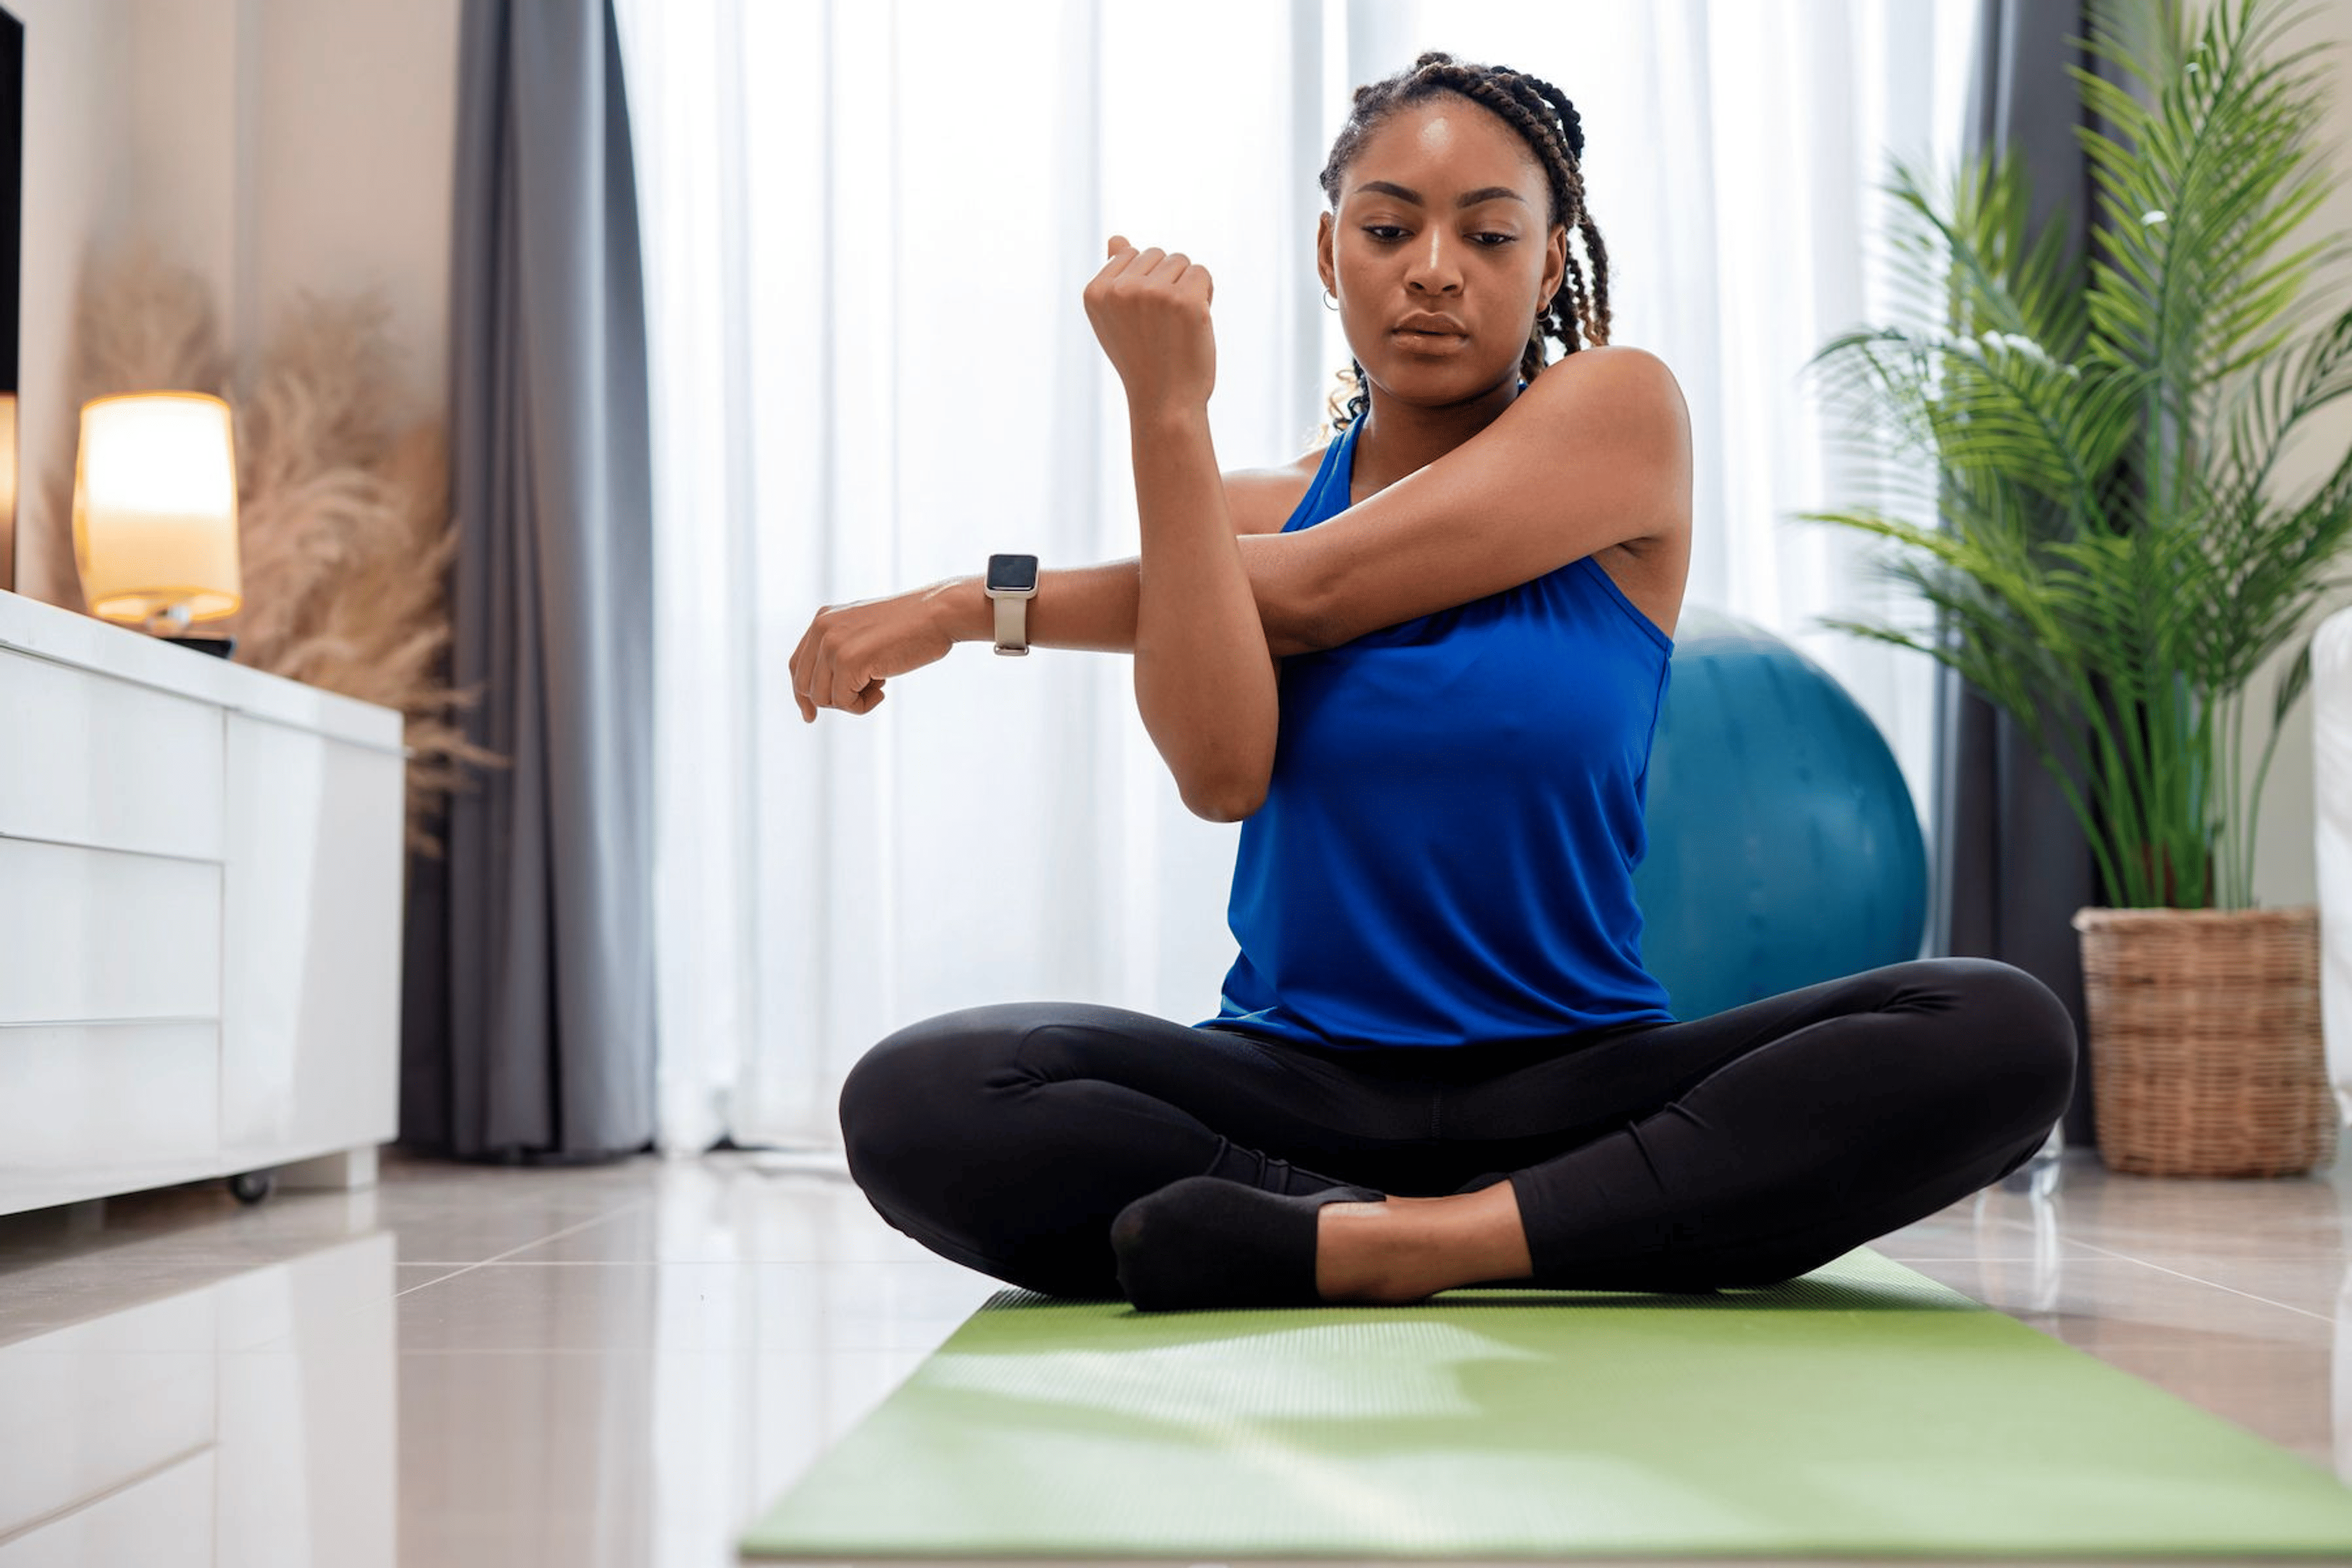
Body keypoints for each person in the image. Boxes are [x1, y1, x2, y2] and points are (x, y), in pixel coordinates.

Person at [799, 53, 2076, 1312]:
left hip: (1582, 1080)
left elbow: (1310, 589)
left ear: (1553, 258)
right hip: (1297, 1084)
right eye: (1390, 227)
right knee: (923, 1096)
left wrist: (961, 608)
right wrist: (1167, 420)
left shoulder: (1621, 420)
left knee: (2001, 1026)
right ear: (1327, 252)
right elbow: (1220, 769)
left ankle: (1406, 1244)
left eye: (1490, 233)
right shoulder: (1244, 518)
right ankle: (1495, 1225)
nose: (1433, 269)